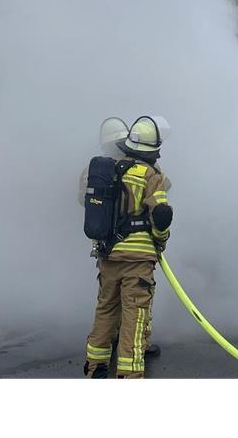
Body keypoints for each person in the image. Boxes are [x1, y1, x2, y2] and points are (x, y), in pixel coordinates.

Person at [83, 115, 173, 379]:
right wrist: (161, 240)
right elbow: (162, 215)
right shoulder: (150, 174)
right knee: (134, 317)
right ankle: (129, 376)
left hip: (108, 254)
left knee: (106, 310)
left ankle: (94, 368)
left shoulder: (110, 169)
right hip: (137, 259)